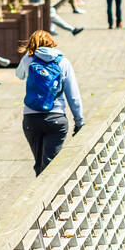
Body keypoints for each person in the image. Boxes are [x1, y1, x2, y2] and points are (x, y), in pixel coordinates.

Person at [16, 31, 84, 178]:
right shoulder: (63, 61)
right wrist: (79, 121)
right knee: (50, 164)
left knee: (39, 162)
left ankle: (38, 196)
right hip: (56, 118)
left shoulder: (28, 59)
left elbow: (19, 75)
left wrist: (28, 56)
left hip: (31, 119)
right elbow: (73, 95)